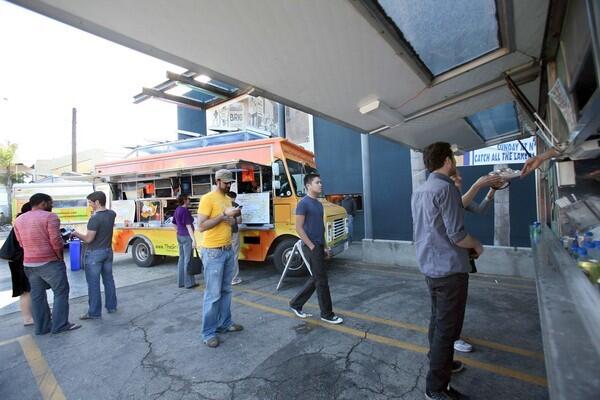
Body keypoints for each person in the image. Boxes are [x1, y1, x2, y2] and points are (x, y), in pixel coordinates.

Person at [411, 142, 484, 400]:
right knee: (447, 328)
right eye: (452, 157)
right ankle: (436, 388)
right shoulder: (447, 189)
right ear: (447, 160)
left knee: (438, 320)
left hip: (430, 267)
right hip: (450, 269)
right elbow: (457, 235)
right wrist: (476, 244)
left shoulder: (420, 191)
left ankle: (438, 360)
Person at [449, 171, 503, 354]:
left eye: (459, 180)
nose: (458, 182)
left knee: (456, 300)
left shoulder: (458, 199)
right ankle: (451, 339)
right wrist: (478, 185)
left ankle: (449, 338)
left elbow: (479, 209)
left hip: (459, 255)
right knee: (451, 302)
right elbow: (458, 206)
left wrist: (492, 190)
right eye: (454, 180)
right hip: (449, 258)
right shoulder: (449, 201)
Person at [13, 193, 81, 335]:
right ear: (43, 203)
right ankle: (60, 325)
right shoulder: (50, 217)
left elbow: (20, 243)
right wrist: (60, 257)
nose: (52, 206)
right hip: (49, 262)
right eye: (51, 203)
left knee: (37, 296)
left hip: (29, 264)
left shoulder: (18, 220)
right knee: (61, 292)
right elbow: (56, 241)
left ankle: (42, 328)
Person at [289, 173, 343, 325]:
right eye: (317, 182)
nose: (321, 184)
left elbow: (321, 228)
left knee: (317, 278)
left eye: (321, 182)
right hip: (310, 246)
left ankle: (295, 303)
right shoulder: (303, 203)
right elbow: (299, 228)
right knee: (322, 280)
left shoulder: (319, 204)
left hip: (319, 245)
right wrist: (312, 246)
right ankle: (327, 314)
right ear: (308, 186)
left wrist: (325, 246)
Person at [197, 169, 243, 348]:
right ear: (217, 181)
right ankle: (208, 333)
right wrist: (224, 216)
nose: (229, 185)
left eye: (230, 182)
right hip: (213, 251)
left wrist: (232, 221)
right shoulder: (207, 199)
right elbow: (201, 226)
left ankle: (225, 323)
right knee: (213, 294)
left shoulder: (226, 199)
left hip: (227, 249)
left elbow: (229, 224)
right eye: (226, 182)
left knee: (226, 291)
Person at [71, 191, 118, 319]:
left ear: (97, 202)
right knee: (108, 280)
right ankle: (112, 306)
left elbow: (88, 239)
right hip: (108, 251)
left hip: (94, 254)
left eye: (90, 202)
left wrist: (76, 233)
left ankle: (94, 312)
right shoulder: (112, 214)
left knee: (93, 284)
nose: (89, 205)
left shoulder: (95, 218)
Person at [0, 202, 34, 325]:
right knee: (26, 291)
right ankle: (28, 318)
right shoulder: (23, 224)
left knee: (29, 290)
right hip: (19, 261)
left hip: (18, 261)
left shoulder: (20, 222)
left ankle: (32, 314)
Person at [172, 194, 198, 289]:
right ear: (184, 200)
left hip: (179, 236)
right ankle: (189, 283)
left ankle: (181, 282)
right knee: (188, 259)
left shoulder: (177, 209)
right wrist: (194, 240)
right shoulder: (185, 211)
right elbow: (188, 226)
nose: (189, 200)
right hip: (187, 237)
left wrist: (179, 231)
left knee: (182, 258)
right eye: (188, 199)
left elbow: (174, 224)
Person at [226, 191, 243, 285]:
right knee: (234, 255)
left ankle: (225, 277)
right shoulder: (236, 206)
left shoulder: (222, 205)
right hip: (234, 232)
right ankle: (234, 278)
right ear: (233, 198)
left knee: (224, 254)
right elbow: (240, 220)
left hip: (224, 233)